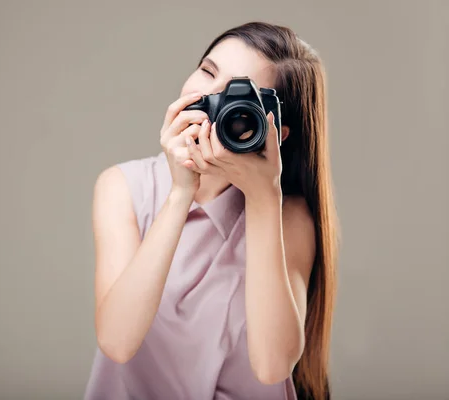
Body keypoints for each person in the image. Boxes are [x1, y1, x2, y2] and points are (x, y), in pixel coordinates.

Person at [84, 21, 339, 400]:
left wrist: (264, 197)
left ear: (275, 131)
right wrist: (180, 193)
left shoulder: (289, 217)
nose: (212, 100)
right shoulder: (122, 187)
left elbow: (272, 367)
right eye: (207, 71)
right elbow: (117, 342)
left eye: (241, 99)